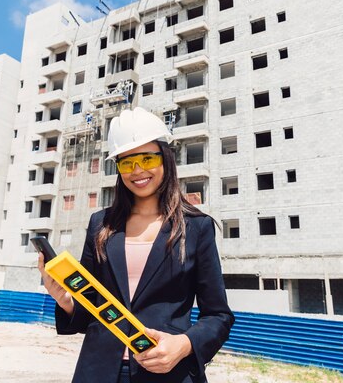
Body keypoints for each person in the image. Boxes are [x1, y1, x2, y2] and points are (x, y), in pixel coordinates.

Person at [38, 107, 234, 382]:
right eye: (127, 162)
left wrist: (183, 345)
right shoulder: (100, 225)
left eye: (147, 158)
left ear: (165, 159)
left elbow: (218, 316)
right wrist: (66, 300)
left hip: (167, 372)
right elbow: (90, 310)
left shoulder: (196, 227)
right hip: (99, 371)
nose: (138, 170)